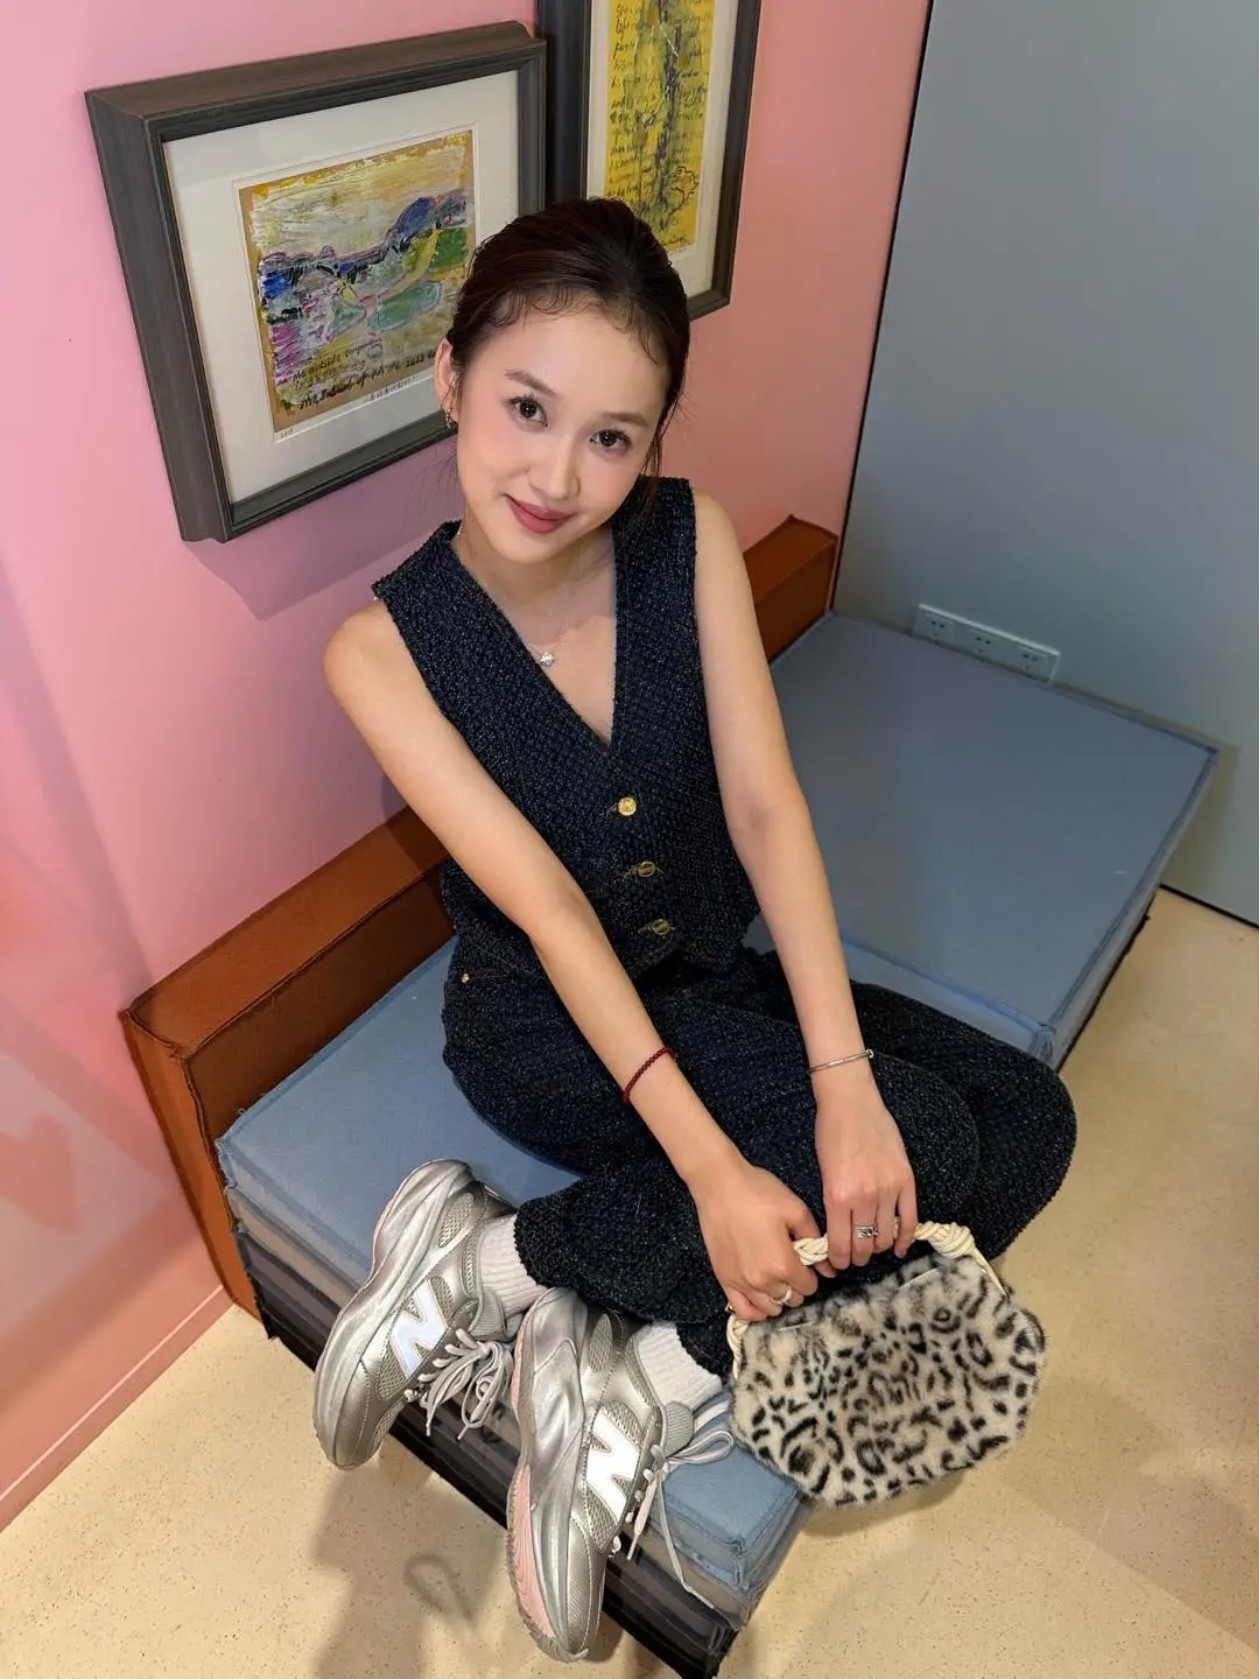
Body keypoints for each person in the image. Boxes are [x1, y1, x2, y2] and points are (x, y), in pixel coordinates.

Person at [311, 196, 1077, 1663]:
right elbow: (548, 910)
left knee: (1021, 1123)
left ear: (656, 441)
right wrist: (717, 1171)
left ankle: (600, 1333)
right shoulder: (380, 653)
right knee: (915, 1147)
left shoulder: (688, 541)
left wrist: (839, 1080)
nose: (559, 475)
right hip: (548, 1027)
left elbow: (767, 811)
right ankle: (522, 1283)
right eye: (526, 408)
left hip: (711, 976)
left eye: (612, 436)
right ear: (452, 377)